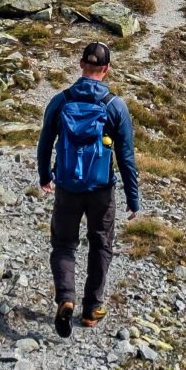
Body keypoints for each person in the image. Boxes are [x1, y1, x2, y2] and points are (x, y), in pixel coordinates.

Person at [35, 40, 140, 338]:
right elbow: (126, 157)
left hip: (67, 185)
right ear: (106, 69)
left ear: (81, 64)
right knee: (100, 244)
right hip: (101, 189)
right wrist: (133, 198)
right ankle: (92, 309)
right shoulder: (114, 105)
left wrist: (46, 176)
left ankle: (66, 298)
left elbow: (45, 144)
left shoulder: (61, 100)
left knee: (64, 244)